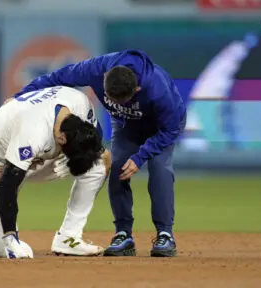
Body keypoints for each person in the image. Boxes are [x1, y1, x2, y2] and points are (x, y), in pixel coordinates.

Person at [13, 50, 187, 257]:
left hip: (161, 127)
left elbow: (171, 130)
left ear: (137, 88)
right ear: (104, 78)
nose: (119, 105)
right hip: (127, 126)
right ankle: (123, 234)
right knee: (117, 167)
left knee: (160, 170)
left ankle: (165, 234)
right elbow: (55, 78)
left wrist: (140, 157)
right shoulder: (95, 69)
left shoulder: (157, 89)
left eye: (124, 100)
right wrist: (18, 101)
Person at [0, 86, 110, 258]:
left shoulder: (80, 103)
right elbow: (8, 183)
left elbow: (93, 141)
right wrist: (10, 237)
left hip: (34, 157)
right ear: (62, 138)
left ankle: (69, 237)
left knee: (100, 162)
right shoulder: (34, 131)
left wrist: (74, 156)